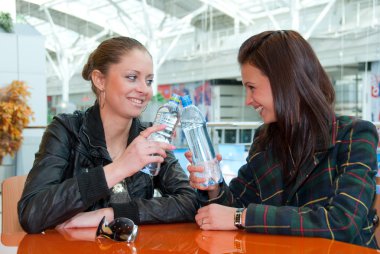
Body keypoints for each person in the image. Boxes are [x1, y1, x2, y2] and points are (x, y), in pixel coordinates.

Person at [186, 30, 379, 249]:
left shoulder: (355, 135)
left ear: (284, 81)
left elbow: (342, 222)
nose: (248, 101)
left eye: (251, 88)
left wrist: (242, 218)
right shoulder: (265, 139)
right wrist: (213, 186)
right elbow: (236, 204)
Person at [18, 36, 198, 233]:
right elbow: (32, 213)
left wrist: (114, 213)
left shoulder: (149, 136)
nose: (144, 89)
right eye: (132, 77)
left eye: (149, 80)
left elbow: (190, 202)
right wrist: (119, 169)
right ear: (100, 80)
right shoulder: (66, 130)